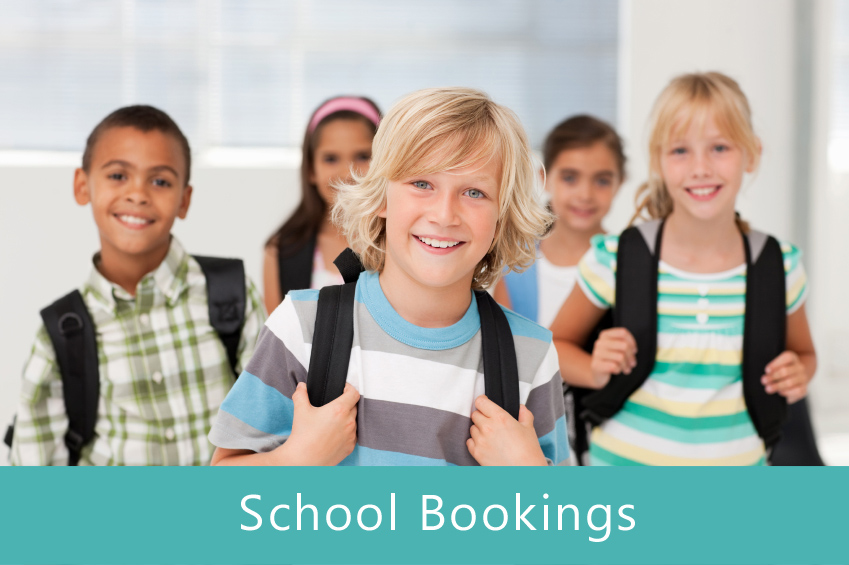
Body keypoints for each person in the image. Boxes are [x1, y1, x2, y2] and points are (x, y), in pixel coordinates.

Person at [209, 87, 570, 466]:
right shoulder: (300, 328)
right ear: (381, 195)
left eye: (475, 192)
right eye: (422, 184)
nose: (445, 215)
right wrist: (298, 459)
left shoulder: (532, 355)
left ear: (502, 217)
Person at [550, 72, 816, 466]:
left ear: (752, 153)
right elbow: (553, 347)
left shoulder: (778, 267)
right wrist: (593, 367)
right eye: (680, 151)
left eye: (720, 147)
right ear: (658, 161)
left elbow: (805, 354)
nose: (700, 168)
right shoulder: (616, 260)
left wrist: (799, 372)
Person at [9, 105, 265, 465]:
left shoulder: (231, 294)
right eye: (118, 175)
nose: (138, 194)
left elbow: (275, 426)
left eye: (160, 181)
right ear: (82, 186)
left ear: (184, 200)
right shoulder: (61, 333)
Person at [494, 115, 625, 328]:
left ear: (620, 183)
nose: (585, 195)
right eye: (570, 178)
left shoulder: (629, 263)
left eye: (602, 180)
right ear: (544, 178)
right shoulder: (516, 264)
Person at [262, 96, 382, 314]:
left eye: (363, 156)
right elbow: (278, 342)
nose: (347, 173)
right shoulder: (281, 251)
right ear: (310, 170)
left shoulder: (403, 242)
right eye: (330, 159)